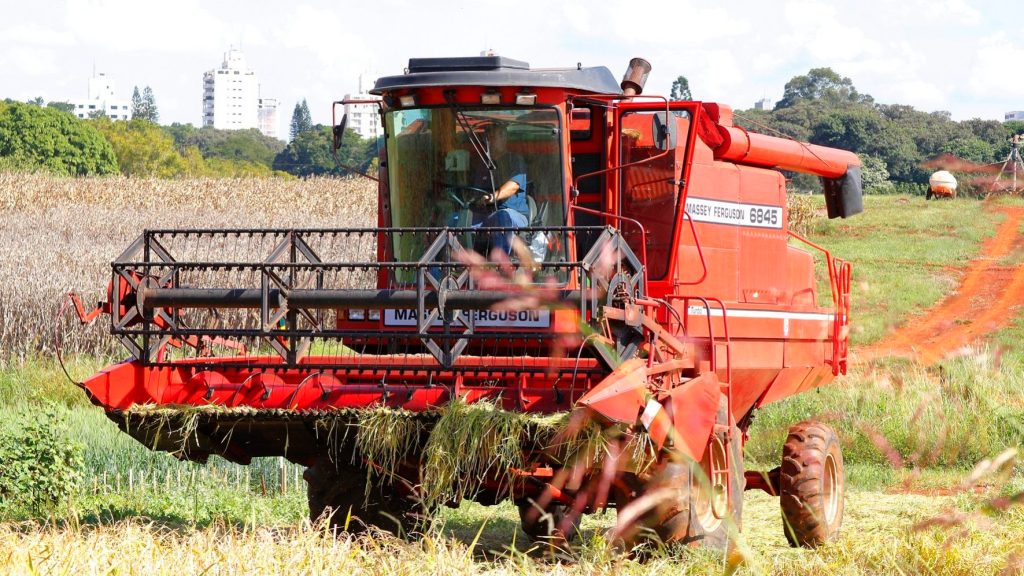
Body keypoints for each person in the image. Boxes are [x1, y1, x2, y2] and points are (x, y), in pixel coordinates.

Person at [471, 124, 530, 254]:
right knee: (456, 219)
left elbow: (514, 185)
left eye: (493, 136)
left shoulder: (514, 160)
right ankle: (455, 267)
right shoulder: (483, 165)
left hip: (515, 215)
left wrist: (492, 197)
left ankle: (501, 266)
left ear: (504, 138)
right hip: (485, 216)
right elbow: (476, 192)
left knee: (502, 216)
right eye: (488, 137)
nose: (489, 140)